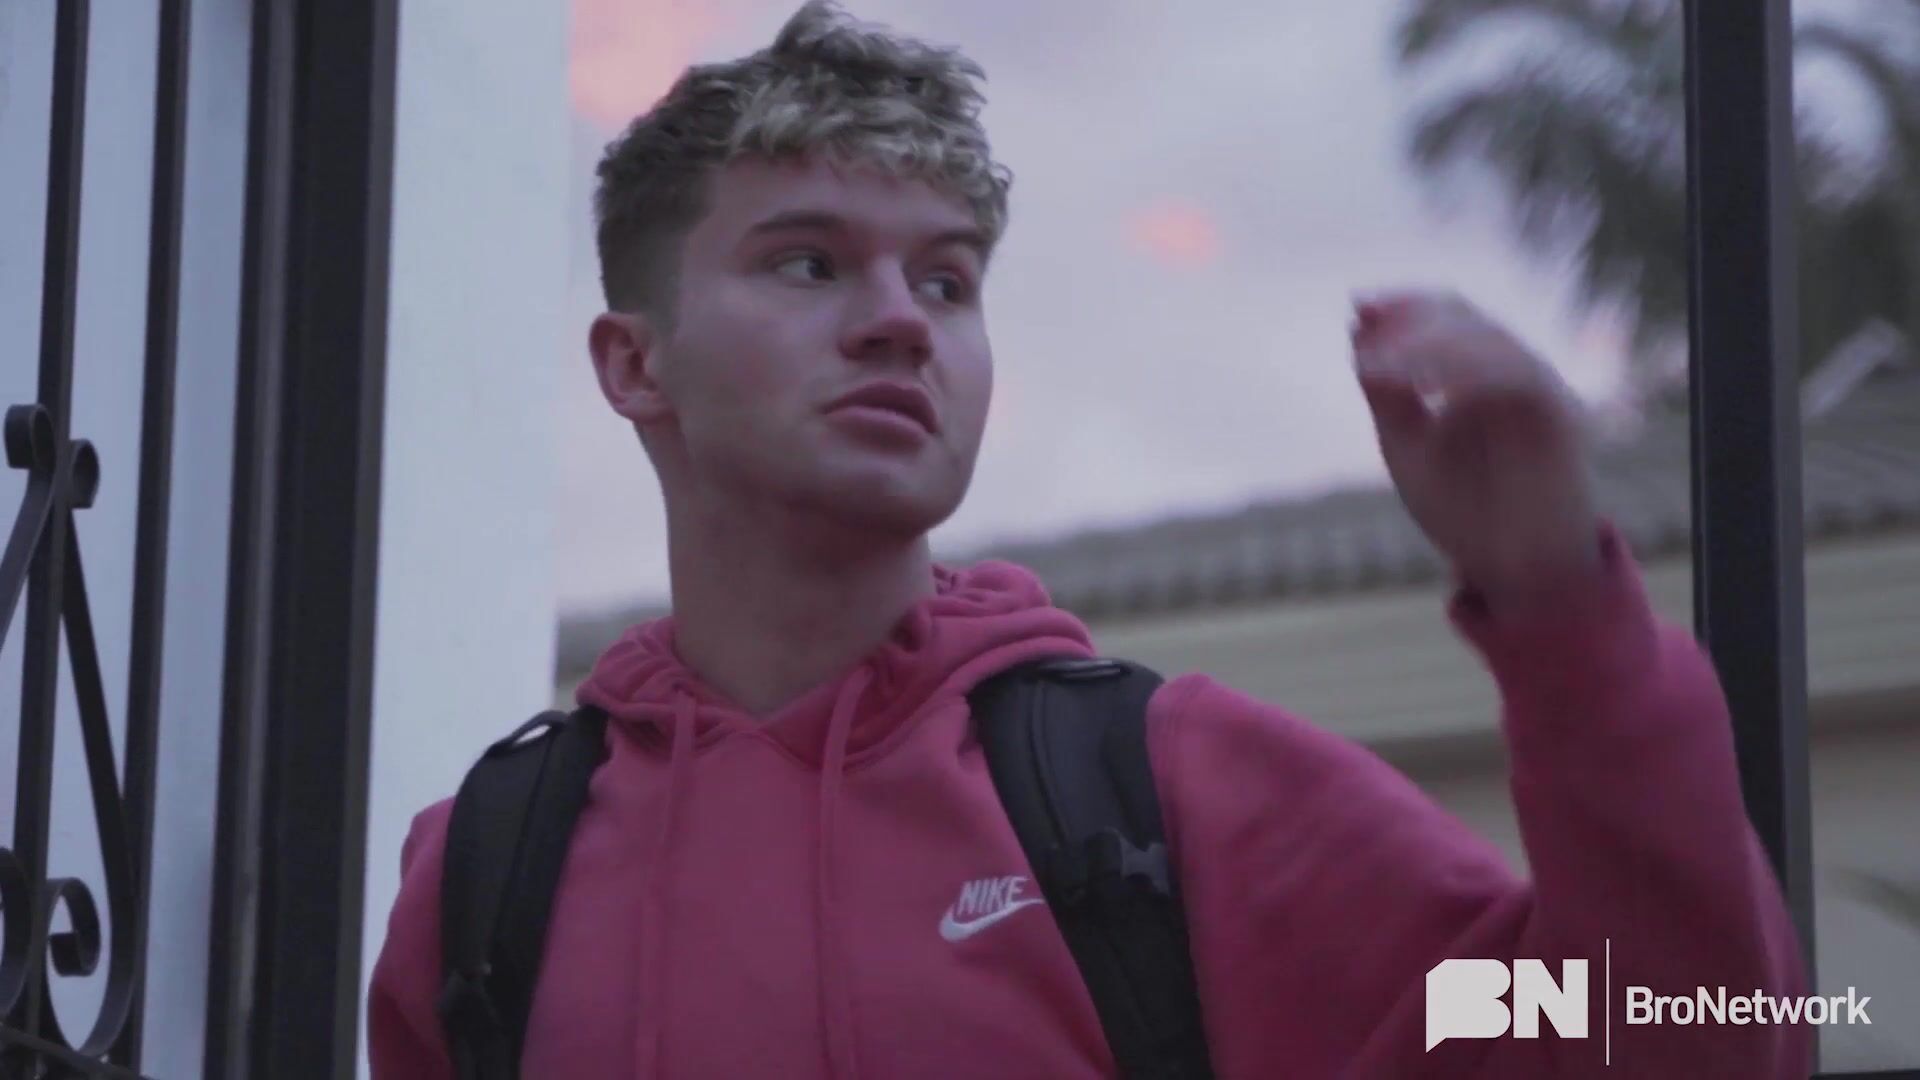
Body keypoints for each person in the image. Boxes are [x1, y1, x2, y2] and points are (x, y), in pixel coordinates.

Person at [367, 2, 1811, 1076]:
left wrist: (1562, 612)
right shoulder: (492, 869)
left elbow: (1692, 1032)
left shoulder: (1173, 794)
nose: (899, 320)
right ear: (635, 364)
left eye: (947, 281)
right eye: (810, 261)